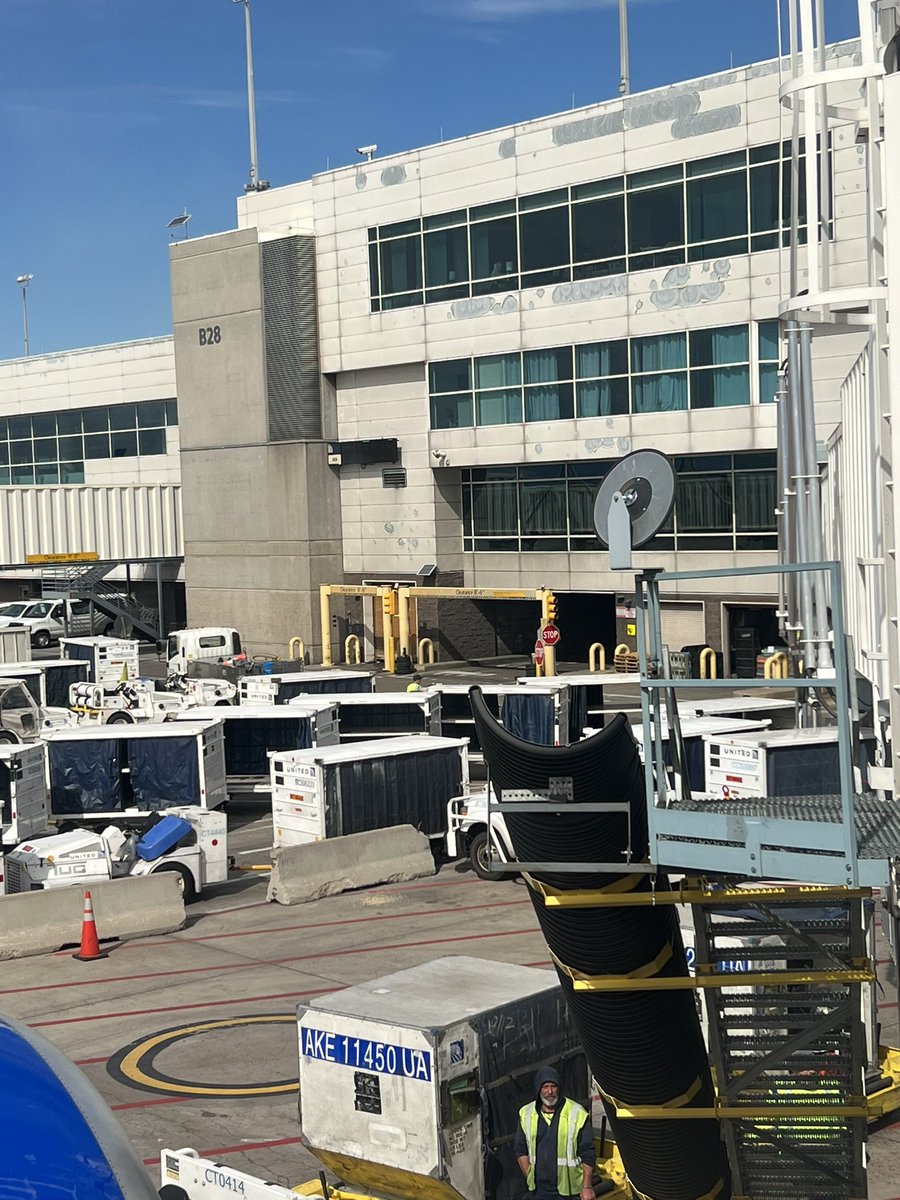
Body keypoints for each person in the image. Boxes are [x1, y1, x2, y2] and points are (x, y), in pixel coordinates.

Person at [515, 1066, 595, 1200]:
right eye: (545, 1087)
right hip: (539, 1191)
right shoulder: (526, 1114)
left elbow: (588, 1153)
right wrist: (529, 1176)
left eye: (553, 1086)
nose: (550, 1091)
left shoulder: (576, 1113)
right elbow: (520, 1149)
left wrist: (587, 1187)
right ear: (538, 1089)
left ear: (559, 1088)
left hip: (568, 1192)